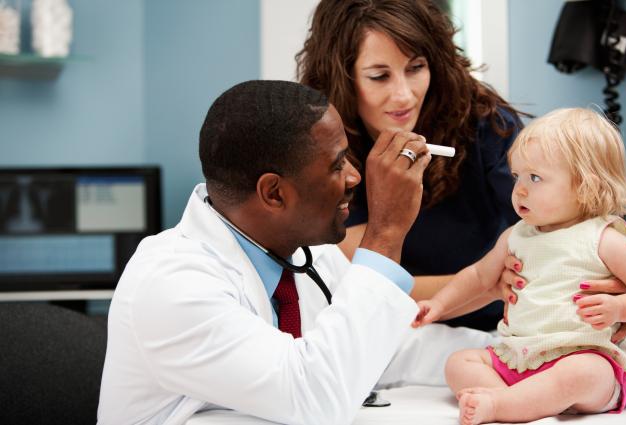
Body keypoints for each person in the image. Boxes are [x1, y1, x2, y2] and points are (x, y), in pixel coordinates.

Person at [97, 80, 497, 425]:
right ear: (274, 192)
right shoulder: (171, 285)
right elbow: (313, 397)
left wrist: (519, 360)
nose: (356, 177)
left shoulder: (305, 253)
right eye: (338, 164)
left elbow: (387, 349)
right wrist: (386, 231)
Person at [296, 0, 526, 331]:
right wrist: (487, 285)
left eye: (416, 68)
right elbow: (365, 286)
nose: (404, 96)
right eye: (379, 76)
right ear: (342, 79)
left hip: (497, 325)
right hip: (392, 331)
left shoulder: (483, 122)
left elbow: (556, 214)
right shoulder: (324, 153)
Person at [412, 108, 626, 424]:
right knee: (459, 363)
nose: (519, 189)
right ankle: (519, 400)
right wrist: (438, 304)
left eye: (535, 178)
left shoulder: (602, 238)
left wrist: (620, 308)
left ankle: (503, 405)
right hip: (520, 359)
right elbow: (479, 276)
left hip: (584, 355)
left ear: (585, 186)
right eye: (516, 176)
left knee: (582, 372)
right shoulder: (516, 236)